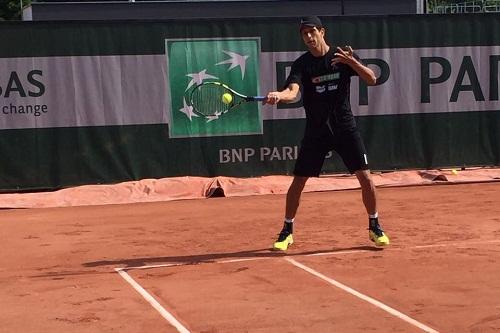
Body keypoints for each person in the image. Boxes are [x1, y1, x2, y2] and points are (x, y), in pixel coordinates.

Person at [264, 16, 389, 251]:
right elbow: (293, 92)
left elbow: (372, 79)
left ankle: (374, 225)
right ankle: (287, 230)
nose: (309, 37)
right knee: (299, 181)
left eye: (312, 32)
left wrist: (353, 63)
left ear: (322, 32)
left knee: (366, 178)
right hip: (317, 131)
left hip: (345, 127)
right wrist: (280, 96)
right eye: (304, 34)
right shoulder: (301, 65)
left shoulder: (341, 57)